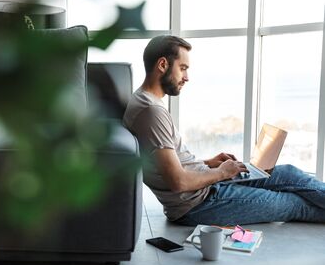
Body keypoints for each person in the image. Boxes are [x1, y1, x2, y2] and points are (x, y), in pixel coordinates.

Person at [123, 35, 325, 226]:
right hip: (198, 204)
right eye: (183, 68)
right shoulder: (151, 111)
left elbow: (167, 164)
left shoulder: (143, 100)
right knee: (292, 203)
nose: (187, 77)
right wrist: (220, 173)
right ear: (163, 65)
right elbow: (178, 181)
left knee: (287, 173)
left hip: (206, 184)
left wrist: (208, 163)